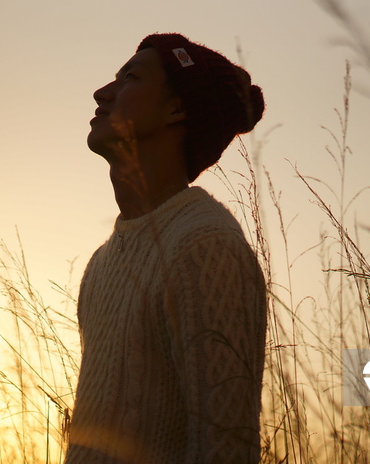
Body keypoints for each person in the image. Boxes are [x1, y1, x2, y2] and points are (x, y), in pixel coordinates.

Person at [64, 33, 267, 464]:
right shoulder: (101, 264)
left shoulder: (206, 246)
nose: (103, 93)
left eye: (130, 78)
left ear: (177, 108)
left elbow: (227, 449)